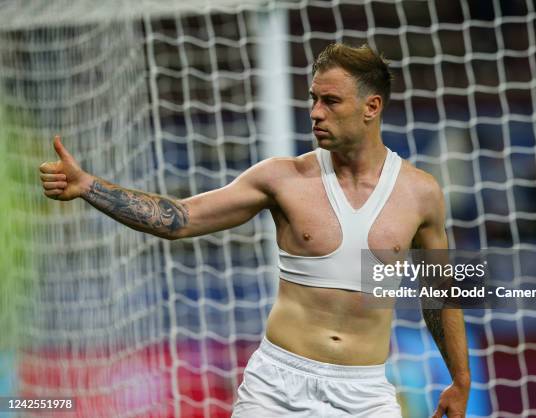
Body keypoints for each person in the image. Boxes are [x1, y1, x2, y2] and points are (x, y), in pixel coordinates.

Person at [39, 43, 470, 417]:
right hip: (276, 385)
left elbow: (443, 292)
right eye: (313, 99)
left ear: (371, 107)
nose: (315, 112)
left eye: (331, 102)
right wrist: (88, 186)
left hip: (366, 391)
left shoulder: (420, 193)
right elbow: (180, 219)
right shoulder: (281, 178)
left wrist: (460, 381)